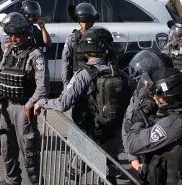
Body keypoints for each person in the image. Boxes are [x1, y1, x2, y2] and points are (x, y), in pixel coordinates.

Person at [34, 27, 128, 184]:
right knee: (106, 173)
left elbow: (63, 103)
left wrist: (42, 102)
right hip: (113, 135)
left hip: (89, 135)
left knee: (73, 173)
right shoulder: (119, 73)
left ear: (86, 51)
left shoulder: (84, 74)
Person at [0, 12, 48, 185]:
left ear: (26, 34)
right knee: (6, 148)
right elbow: (1, 74)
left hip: (24, 108)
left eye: (17, 35)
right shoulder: (9, 50)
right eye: (11, 35)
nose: (14, 38)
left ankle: (35, 182)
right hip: (5, 105)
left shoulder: (35, 55)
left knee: (29, 151)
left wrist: (30, 104)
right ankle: (12, 181)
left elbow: (43, 86)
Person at [62, 1, 100, 84]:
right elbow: (66, 64)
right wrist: (66, 85)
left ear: (92, 21)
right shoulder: (72, 39)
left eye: (87, 22)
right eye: (83, 22)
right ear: (79, 21)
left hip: (96, 79)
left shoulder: (99, 37)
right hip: (77, 79)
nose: (85, 25)